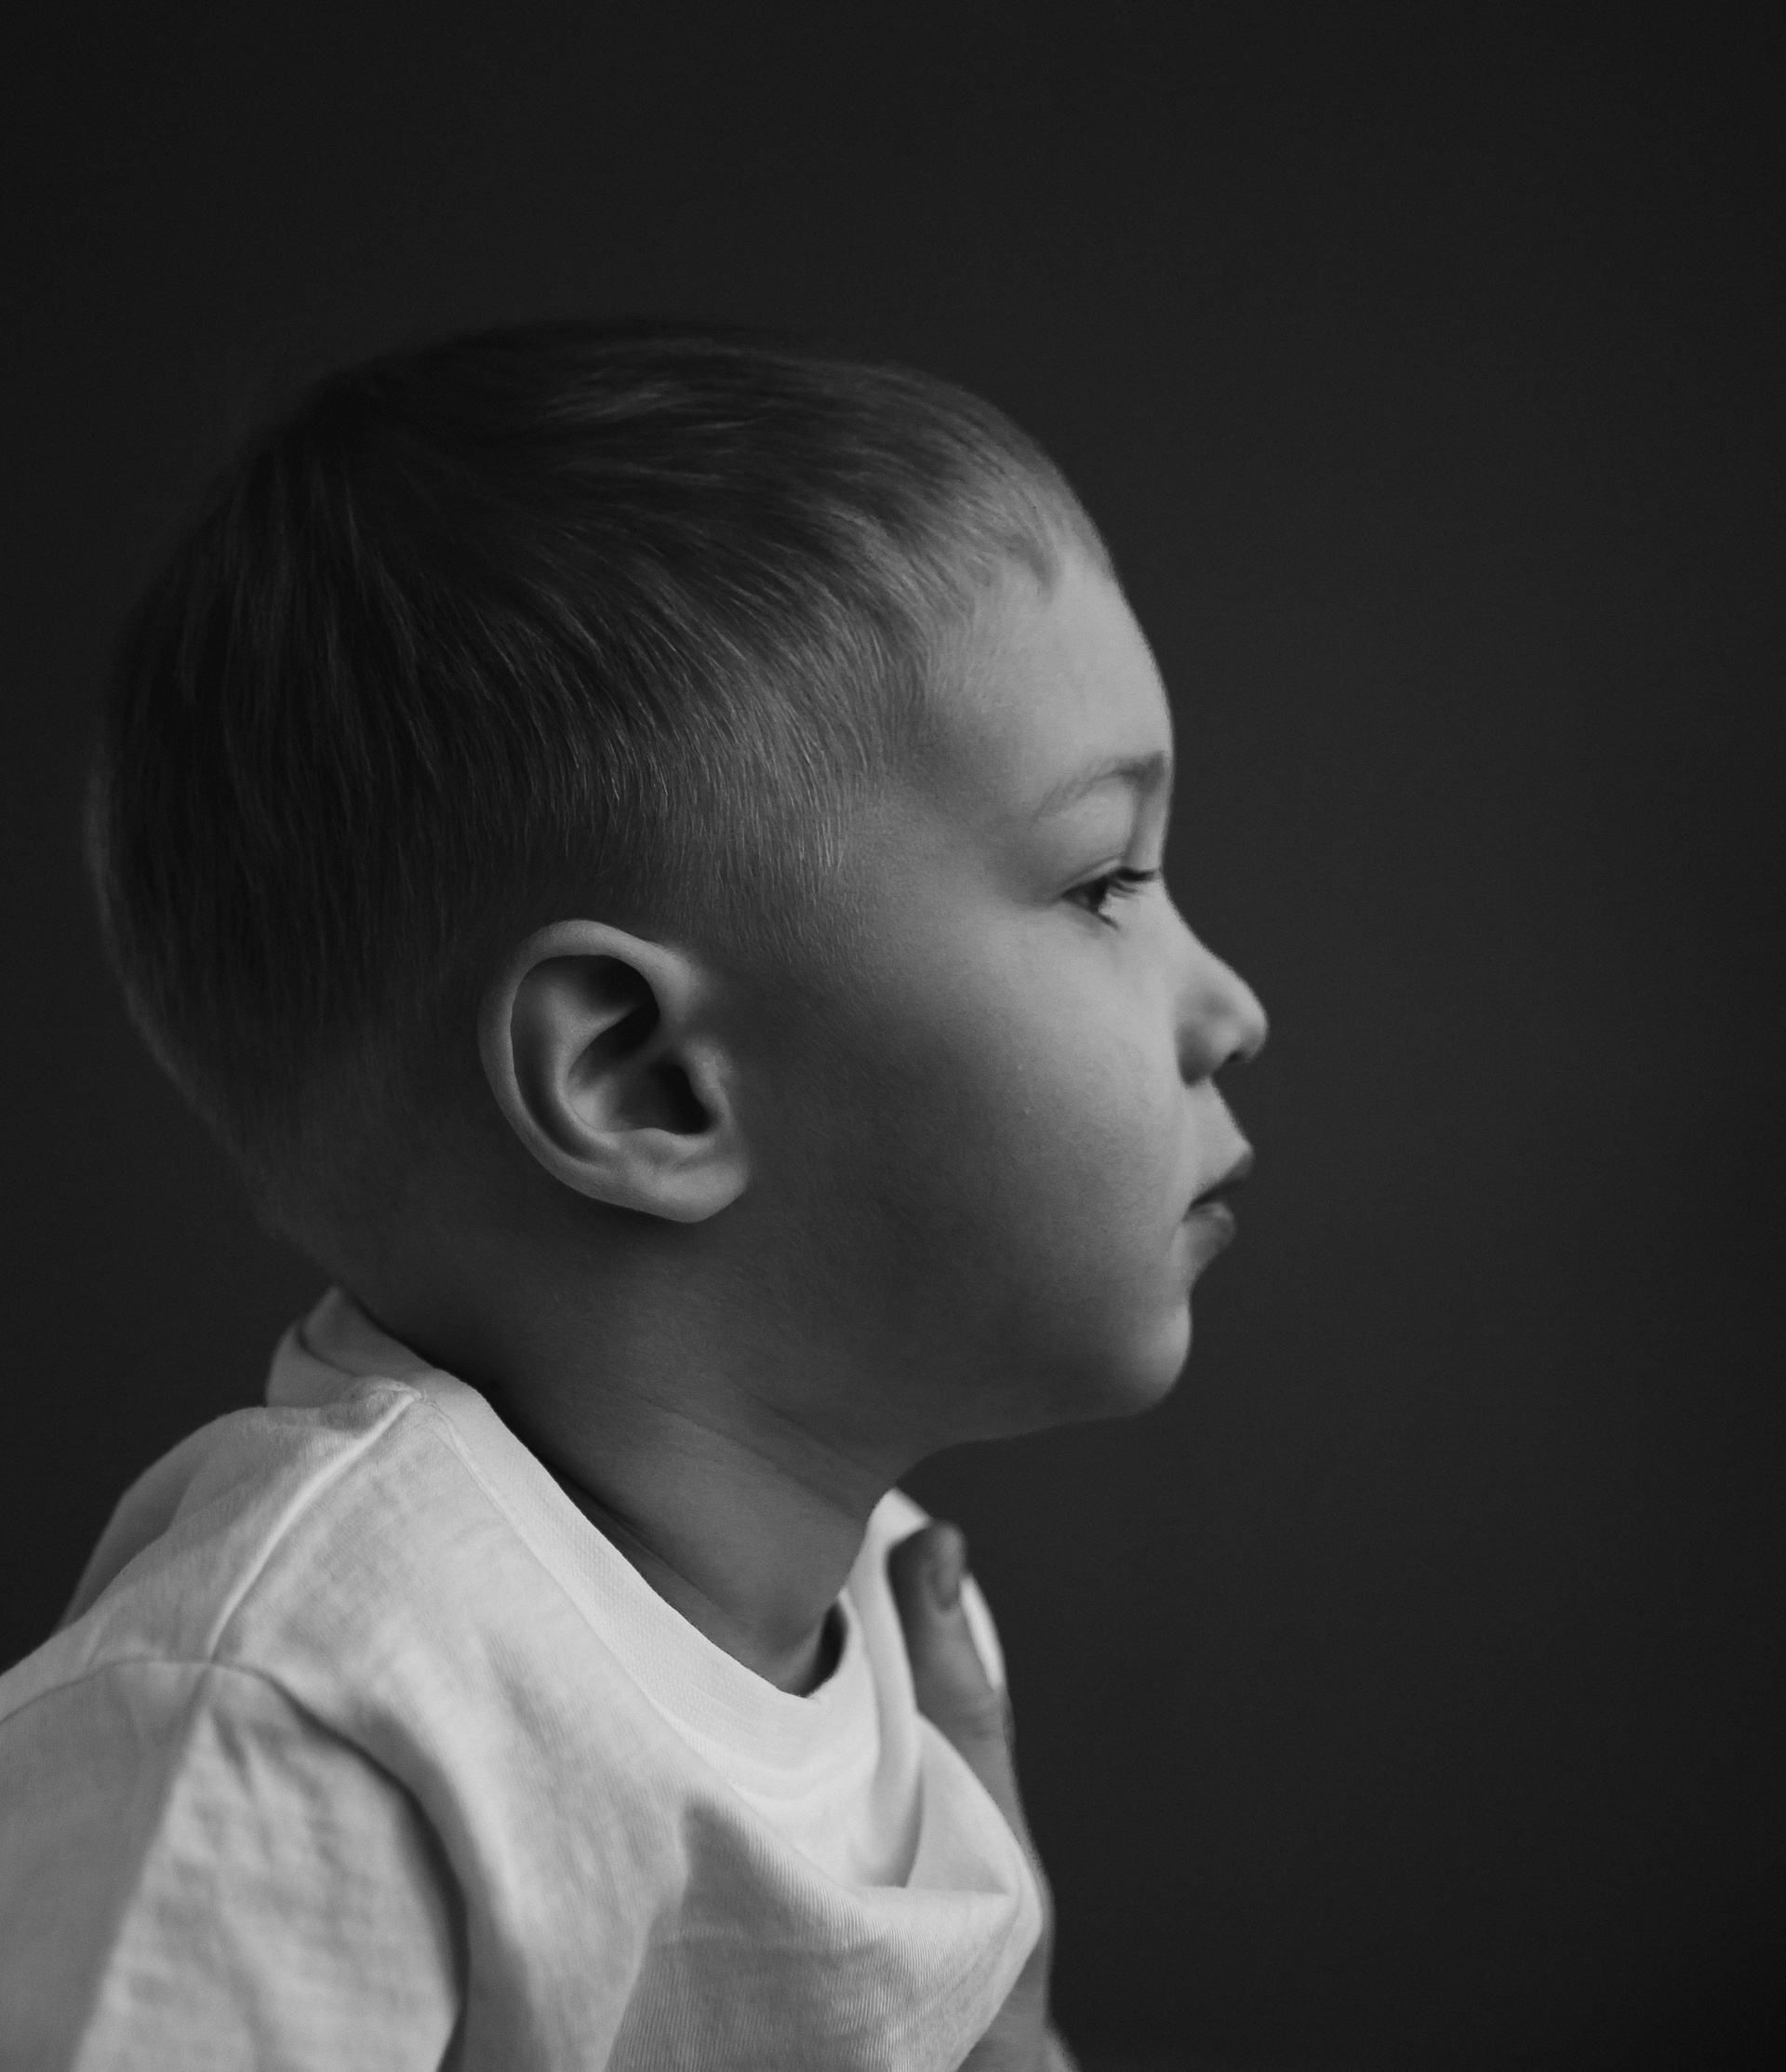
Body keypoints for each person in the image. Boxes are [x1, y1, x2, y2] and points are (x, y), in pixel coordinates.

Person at [0, 321, 1267, 2069]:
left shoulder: (885, 1622)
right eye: (1104, 881)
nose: (1231, 1008)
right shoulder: (302, 1717)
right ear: (645, 1080)